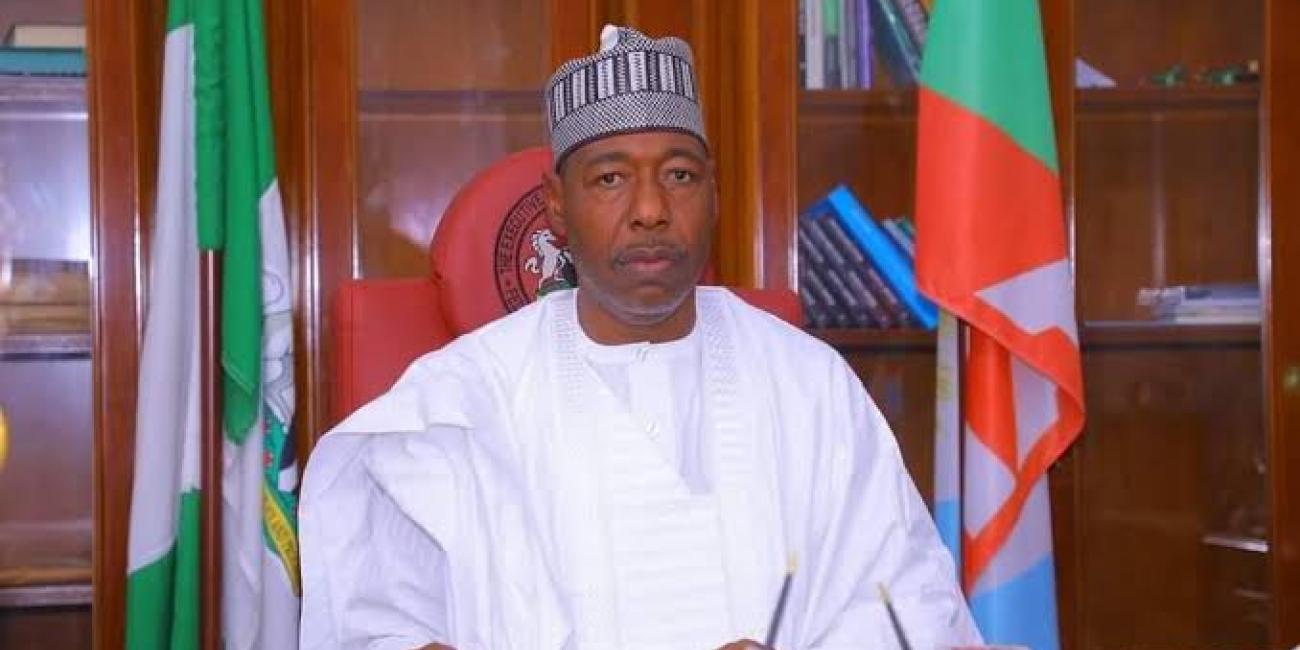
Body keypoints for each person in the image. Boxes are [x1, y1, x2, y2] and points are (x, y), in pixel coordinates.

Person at [299, 25, 980, 650]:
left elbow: (910, 609)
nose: (651, 210)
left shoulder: (808, 383)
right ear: (557, 205)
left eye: (679, 175)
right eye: (611, 178)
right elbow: (377, 628)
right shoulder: (458, 401)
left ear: (714, 192)